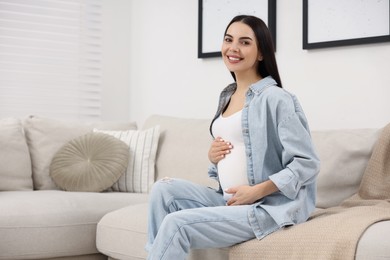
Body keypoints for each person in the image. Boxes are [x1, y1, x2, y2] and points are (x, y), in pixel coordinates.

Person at [145, 15, 320, 260]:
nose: (233, 48)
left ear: (261, 53)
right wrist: (213, 157)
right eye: (229, 39)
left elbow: (307, 163)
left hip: (264, 207)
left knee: (177, 224)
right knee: (163, 190)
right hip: (226, 199)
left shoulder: (276, 98)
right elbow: (239, 151)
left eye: (245, 42)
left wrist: (257, 191)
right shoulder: (227, 95)